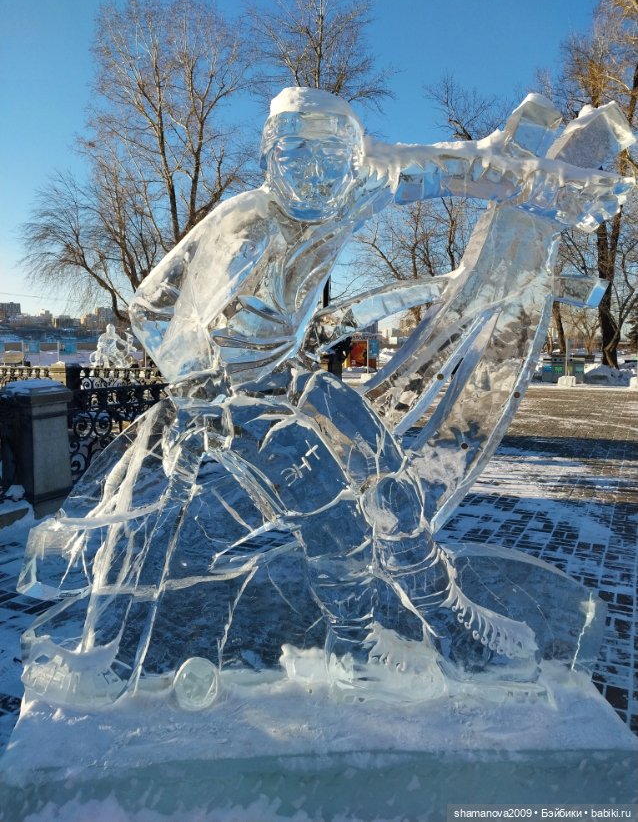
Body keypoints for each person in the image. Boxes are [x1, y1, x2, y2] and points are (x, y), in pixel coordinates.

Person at [17, 88, 630, 708]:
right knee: (323, 501)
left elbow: (464, 167)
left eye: (331, 157)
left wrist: (555, 186)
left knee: (385, 466)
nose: (313, 173)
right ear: (268, 156)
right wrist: (200, 384)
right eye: (295, 154)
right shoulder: (248, 223)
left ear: (355, 157)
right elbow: (153, 308)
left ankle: (447, 615)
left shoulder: (360, 184)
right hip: (226, 396)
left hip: (286, 377)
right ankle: (353, 645)